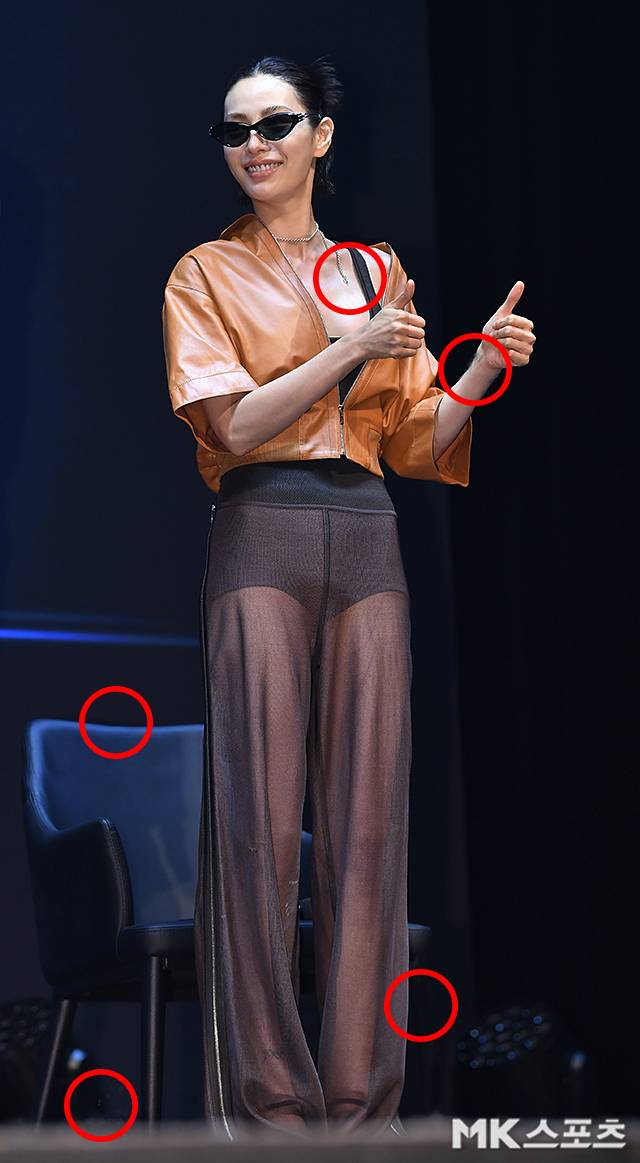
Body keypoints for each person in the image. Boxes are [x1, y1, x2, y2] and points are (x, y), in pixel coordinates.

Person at [161, 54, 535, 1142]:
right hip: (262, 530)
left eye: (275, 123)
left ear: (321, 135)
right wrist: (348, 350)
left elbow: (413, 440)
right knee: (258, 831)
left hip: (368, 535)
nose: (254, 145)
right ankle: (273, 1113)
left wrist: (478, 372)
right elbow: (232, 424)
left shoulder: (377, 269)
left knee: (372, 833)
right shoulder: (204, 273)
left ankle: (363, 1112)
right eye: (235, 130)